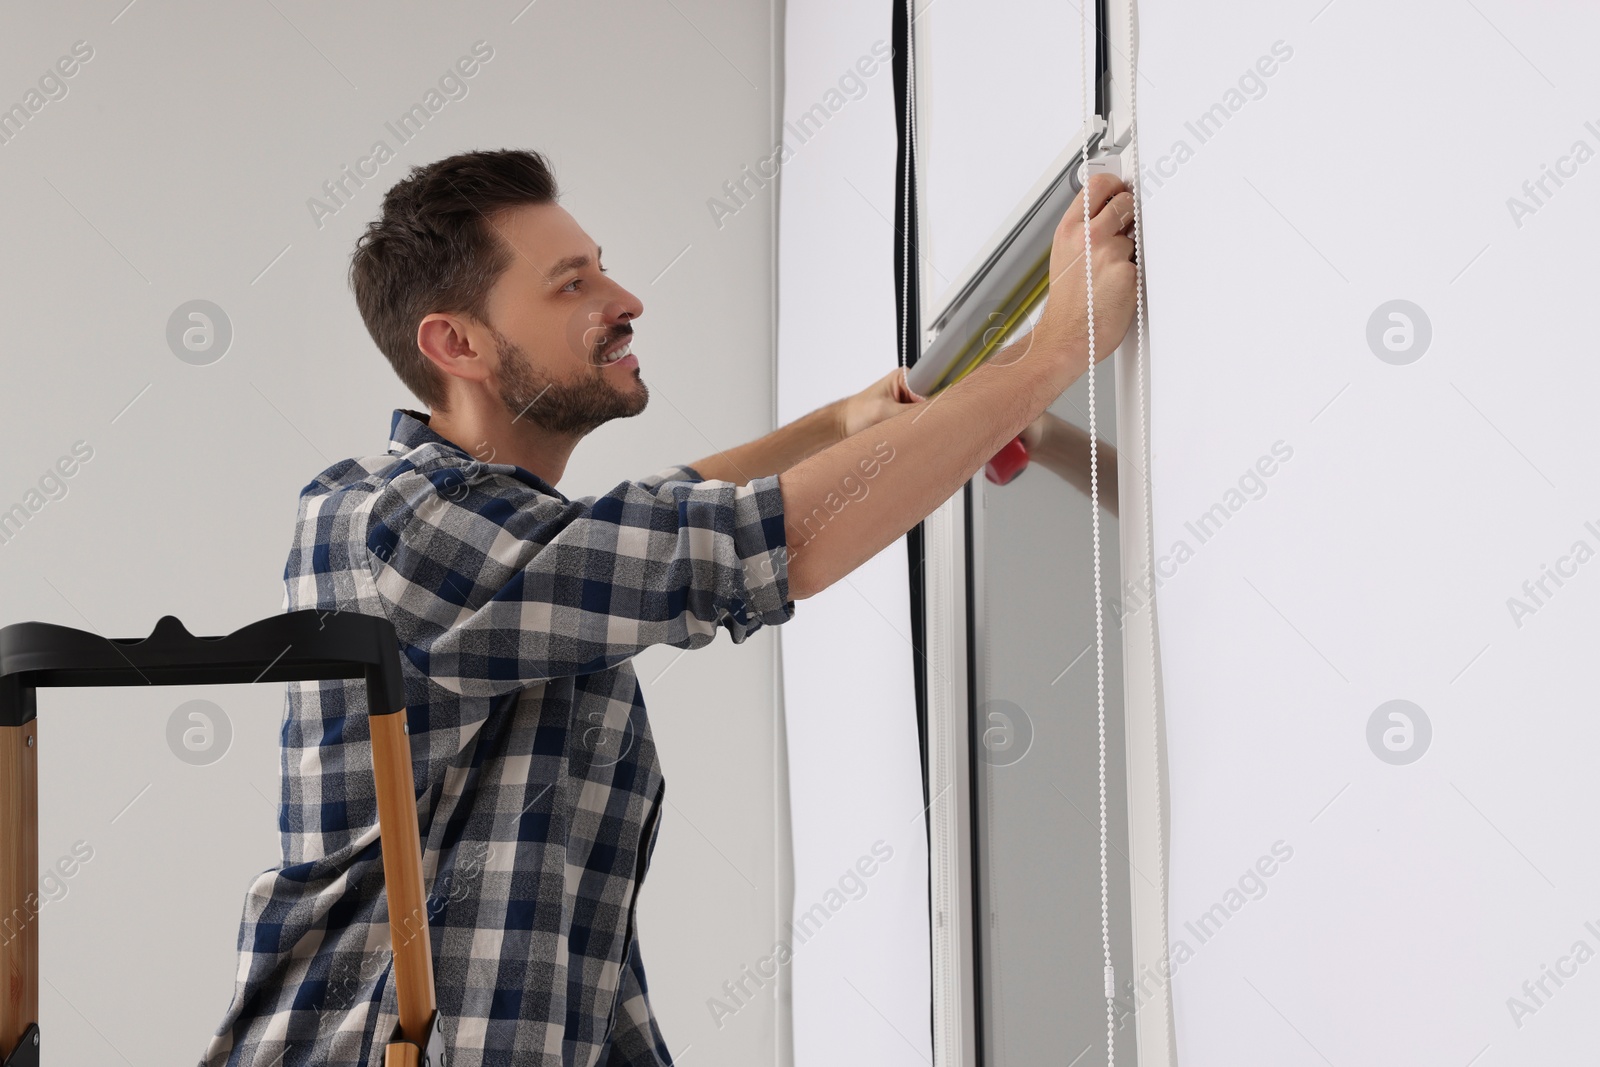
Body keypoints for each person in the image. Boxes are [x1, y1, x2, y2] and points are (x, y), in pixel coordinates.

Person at [200, 148, 1137, 1066]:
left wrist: (844, 425)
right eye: (571, 284)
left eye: (602, 268)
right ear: (458, 344)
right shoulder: (389, 521)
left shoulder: (501, 548)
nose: (624, 300)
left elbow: (624, 527)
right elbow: (753, 543)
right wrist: (1057, 350)